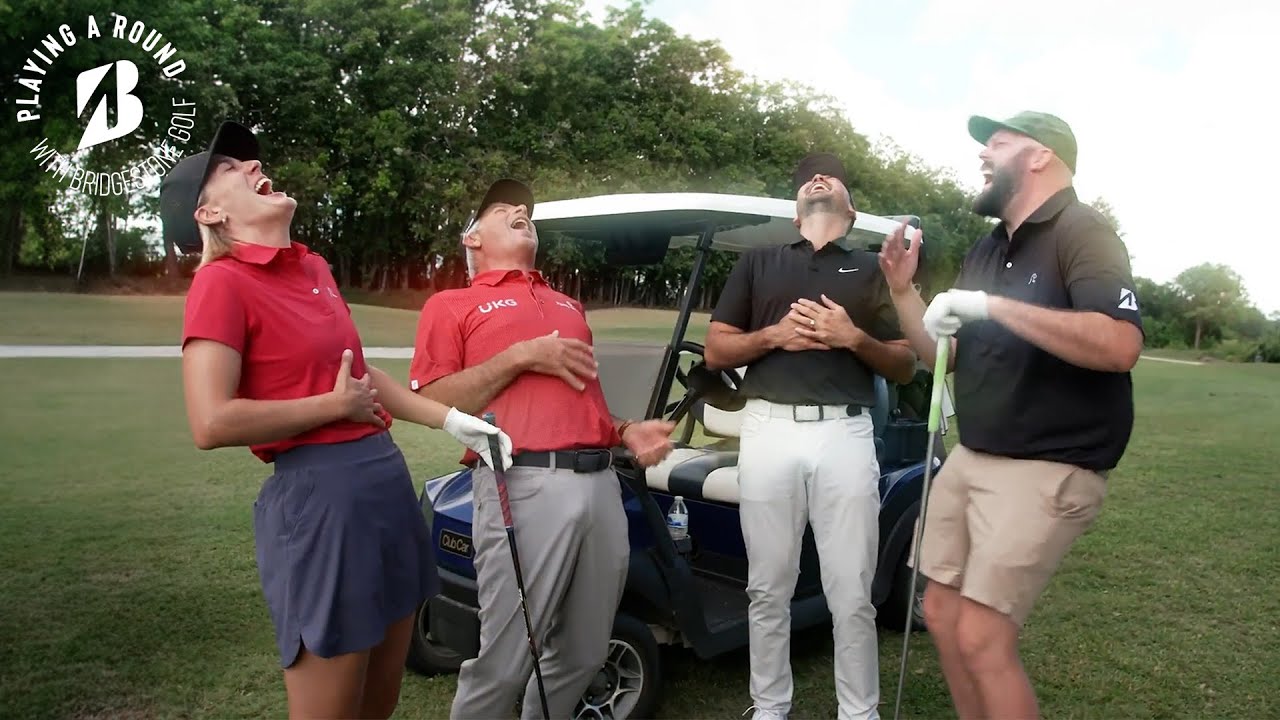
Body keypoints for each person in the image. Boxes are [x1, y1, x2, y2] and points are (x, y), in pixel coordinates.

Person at [161, 120, 515, 720]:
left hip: (383, 484)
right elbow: (210, 421)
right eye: (229, 168)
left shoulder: (314, 269)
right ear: (210, 214)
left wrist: (454, 421)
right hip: (322, 501)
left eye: (249, 160)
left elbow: (359, 379)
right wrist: (332, 407)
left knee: (379, 703)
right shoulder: (220, 283)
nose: (251, 166)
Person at [877, 111, 1144, 719]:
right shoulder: (989, 245)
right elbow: (947, 358)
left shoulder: (1085, 232)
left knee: (981, 633)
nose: (983, 155)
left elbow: (1118, 343)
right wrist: (903, 293)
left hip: (1048, 466)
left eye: (997, 143)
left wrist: (991, 306)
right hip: (973, 456)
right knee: (941, 613)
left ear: (1041, 156)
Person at [407, 178, 677, 719]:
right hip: (522, 485)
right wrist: (519, 356)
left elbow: (586, 404)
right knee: (504, 662)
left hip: (601, 486)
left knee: (583, 653)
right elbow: (435, 398)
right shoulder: (452, 304)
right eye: (504, 210)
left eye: (526, 210)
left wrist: (624, 430)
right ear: (472, 239)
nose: (521, 212)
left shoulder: (567, 305)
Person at [704, 153, 918, 720]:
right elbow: (717, 349)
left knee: (851, 590)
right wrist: (773, 335)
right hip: (768, 431)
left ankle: (859, 711)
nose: (816, 178)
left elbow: (904, 365)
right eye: (806, 178)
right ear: (797, 210)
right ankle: (770, 705)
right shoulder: (759, 263)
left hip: (844, 435)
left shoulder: (875, 269)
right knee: (766, 586)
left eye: (829, 174)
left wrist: (852, 338)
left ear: (848, 209)